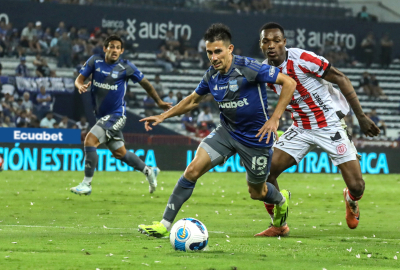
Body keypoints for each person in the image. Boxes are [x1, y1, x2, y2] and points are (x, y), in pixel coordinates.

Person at [137, 23, 297, 238]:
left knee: (257, 192)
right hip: (227, 133)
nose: (213, 57)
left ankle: (281, 200)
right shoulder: (211, 75)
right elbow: (193, 100)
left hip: (256, 139)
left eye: (218, 51)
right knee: (192, 170)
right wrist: (163, 116)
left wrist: (275, 119)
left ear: (230, 49)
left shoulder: (248, 68)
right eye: (209, 52)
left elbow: (289, 83)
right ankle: (164, 225)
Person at [255, 22, 380, 236]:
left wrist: (361, 117)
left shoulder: (303, 59)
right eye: (266, 41)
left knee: (357, 186)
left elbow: (340, 78)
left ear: (284, 42)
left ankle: (350, 199)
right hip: (301, 128)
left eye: (276, 40)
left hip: (330, 125)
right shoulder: (263, 72)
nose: (271, 45)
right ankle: (279, 223)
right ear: (261, 45)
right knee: (264, 172)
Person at [70, 35, 172, 196]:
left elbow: (145, 83)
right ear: (105, 49)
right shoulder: (95, 61)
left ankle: (86, 184)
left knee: (90, 140)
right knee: (120, 153)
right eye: (111, 46)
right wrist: (79, 85)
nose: (114, 50)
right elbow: (79, 79)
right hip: (102, 117)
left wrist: (158, 101)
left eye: (118, 47)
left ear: (122, 51)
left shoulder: (126, 67)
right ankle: (149, 170)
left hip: (117, 115)